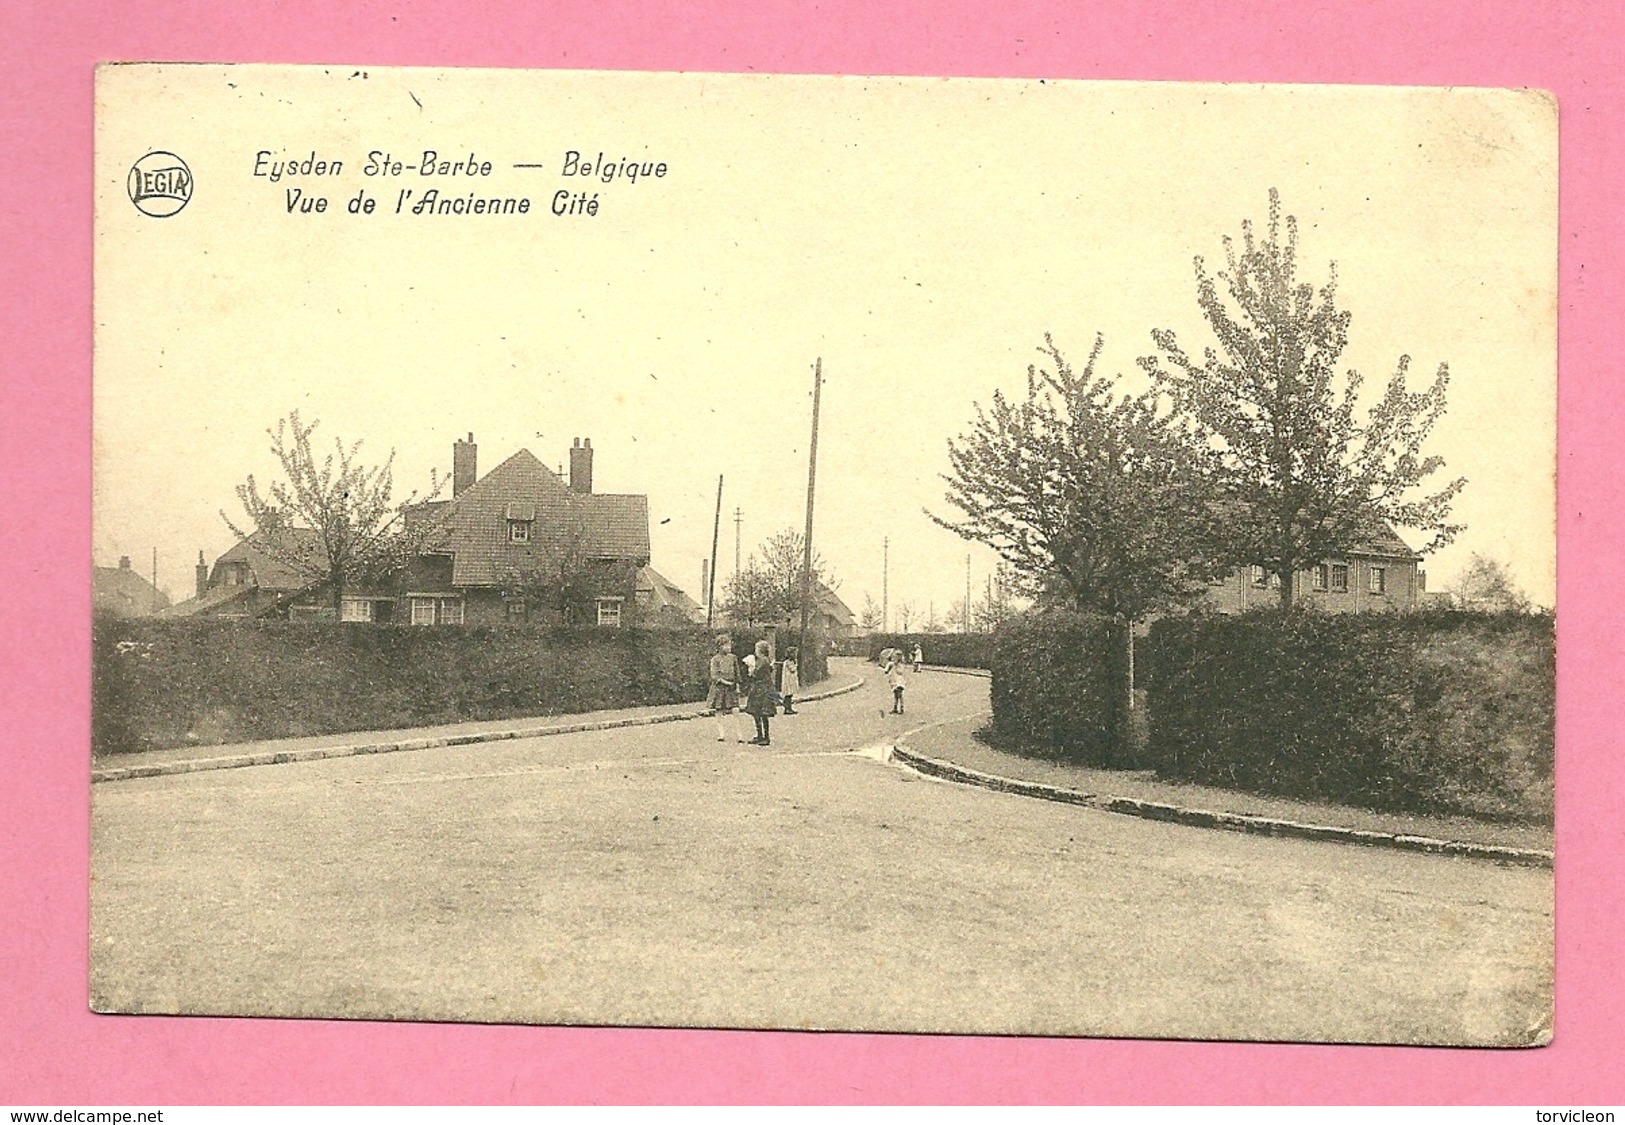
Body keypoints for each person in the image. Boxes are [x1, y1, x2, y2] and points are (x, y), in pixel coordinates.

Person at [706, 634, 742, 743]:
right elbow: (714, 676)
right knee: (719, 710)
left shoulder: (733, 658)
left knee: (735, 710)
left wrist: (737, 686)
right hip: (720, 688)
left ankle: (739, 734)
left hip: (731, 688)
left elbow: (737, 674)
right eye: (726, 645)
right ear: (720, 646)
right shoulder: (715, 659)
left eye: (729, 645)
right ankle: (721, 734)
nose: (728, 647)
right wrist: (725, 682)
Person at [743, 639, 777, 745]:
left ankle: (765, 737)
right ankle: (760, 735)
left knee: (762, 713)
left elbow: (756, 674)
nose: (755, 651)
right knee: (757, 712)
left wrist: (751, 669)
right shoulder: (764, 660)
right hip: (760, 688)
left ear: (761, 651)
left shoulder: (763, 661)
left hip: (763, 689)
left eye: (756, 649)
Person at [779, 646, 800, 715]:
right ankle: (787, 709)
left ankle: (789, 708)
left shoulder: (789, 662)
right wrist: (796, 664)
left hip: (790, 680)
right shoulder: (789, 662)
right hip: (788, 681)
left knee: (789, 695)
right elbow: (792, 669)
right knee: (788, 695)